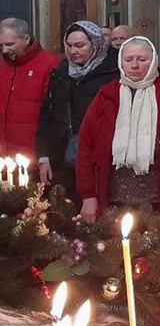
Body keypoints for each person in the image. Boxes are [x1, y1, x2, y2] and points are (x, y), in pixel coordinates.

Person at [75, 37, 160, 225]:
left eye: (142, 59)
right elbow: (86, 148)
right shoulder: (106, 95)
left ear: (153, 60)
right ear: (121, 62)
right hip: (114, 201)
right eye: (129, 60)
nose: (135, 65)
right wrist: (88, 195)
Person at [36, 22, 119, 198]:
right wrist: (43, 157)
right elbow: (46, 117)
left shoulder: (113, 72)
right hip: (62, 156)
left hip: (100, 157)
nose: (74, 51)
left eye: (80, 45)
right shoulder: (61, 73)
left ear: (95, 44)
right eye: (70, 46)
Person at [0, 18, 59, 164]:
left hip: (33, 157)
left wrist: (45, 157)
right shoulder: (2, 66)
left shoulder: (51, 64)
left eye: (9, 44)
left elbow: (54, 114)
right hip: (4, 157)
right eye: (1, 45)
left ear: (26, 39)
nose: (5, 50)